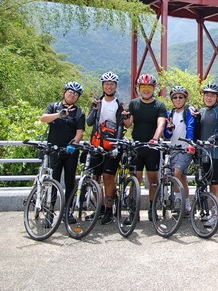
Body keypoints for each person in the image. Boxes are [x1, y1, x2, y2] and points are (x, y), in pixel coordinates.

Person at [40, 81, 86, 224]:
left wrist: (73, 144)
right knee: (53, 181)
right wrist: (59, 115)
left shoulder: (79, 112)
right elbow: (43, 118)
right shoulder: (54, 106)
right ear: (65, 92)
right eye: (70, 92)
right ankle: (49, 213)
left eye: (76, 94)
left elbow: (80, 132)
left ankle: (68, 212)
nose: (73, 95)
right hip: (54, 150)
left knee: (69, 182)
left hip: (70, 151)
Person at [123, 73, 167, 221]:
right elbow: (128, 124)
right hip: (136, 146)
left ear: (153, 88)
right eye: (143, 87)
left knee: (153, 180)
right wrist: (125, 116)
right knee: (135, 179)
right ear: (139, 88)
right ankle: (132, 211)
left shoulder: (159, 105)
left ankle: (152, 209)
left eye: (149, 87)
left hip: (152, 147)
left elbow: (161, 124)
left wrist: (155, 138)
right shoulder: (134, 103)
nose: (146, 90)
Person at [86, 71, 126, 225]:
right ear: (103, 86)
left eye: (112, 84)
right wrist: (94, 108)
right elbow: (90, 122)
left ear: (115, 86)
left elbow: (120, 126)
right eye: (106, 84)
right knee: (95, 178)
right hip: (96, 144)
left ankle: (109, 210)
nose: (109, 86)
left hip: (112, 145)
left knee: (108, 177)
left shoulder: (119, 104)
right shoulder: (97, 102)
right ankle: (100, 208)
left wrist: (117, 144)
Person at [195, 82, 218, 227]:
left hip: (215, 152)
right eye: (206, 95)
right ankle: (212, 212)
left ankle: (217, 214)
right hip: (203, 153)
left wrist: (213, 138)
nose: (209, 98)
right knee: (209, 184)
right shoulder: (202, 111)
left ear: (217, 97)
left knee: (216, 184)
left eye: (212, 96)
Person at [163, 85, 196, 215]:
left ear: (185, 98)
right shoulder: (170, 113)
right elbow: (167, 135)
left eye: (180, 97)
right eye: (175, 97)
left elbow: (190, 127)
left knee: (176, 174)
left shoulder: (188, 111)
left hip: (185, 149)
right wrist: (169, 129)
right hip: (174, 149)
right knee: (182, 178)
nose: (177, 99)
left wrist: (190, 143)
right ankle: (186, 205)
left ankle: (178, 201)